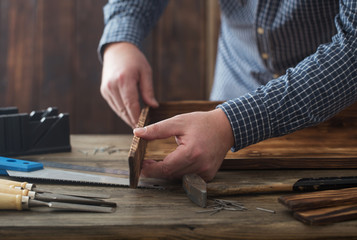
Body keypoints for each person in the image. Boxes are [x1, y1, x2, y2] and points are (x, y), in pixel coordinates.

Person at [98, 1, 357, 181]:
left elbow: (353, 50)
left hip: (340, 111)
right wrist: (121, 37)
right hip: (232, 86)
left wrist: (230, 124)